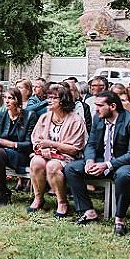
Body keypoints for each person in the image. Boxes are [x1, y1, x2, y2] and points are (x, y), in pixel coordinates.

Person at [63, 91, 130, 236]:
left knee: (123, 175)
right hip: (104, 160)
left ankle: (120, 219)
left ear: (113, 106)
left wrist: (107, 165)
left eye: (100, 105)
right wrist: (90, 161)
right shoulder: (98, 118)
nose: (96, 109)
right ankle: (88, 211)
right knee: (71, 168)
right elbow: (91, 144)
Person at [26, 84, 87, 216]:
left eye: (54, 98)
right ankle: (38, 198)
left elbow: (75, 148)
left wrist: (51, 145)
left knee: (52, 166)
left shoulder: (75, 120)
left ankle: (62, 202)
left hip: (67, 156)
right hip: (45, 153)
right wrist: (43, 148)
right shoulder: (45, 117)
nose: (50, 100)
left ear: (63, 101)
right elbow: (36, 139)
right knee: (36, 162)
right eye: (49, 97)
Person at [0, 87, 32, 205]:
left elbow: (30, 144)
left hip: (21, 154)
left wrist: (12, 144)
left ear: (17, 100)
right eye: (5, 97)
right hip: (2, 153)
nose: (6, 101)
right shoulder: (1, 116)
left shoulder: (29, 116)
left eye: (10, 98)